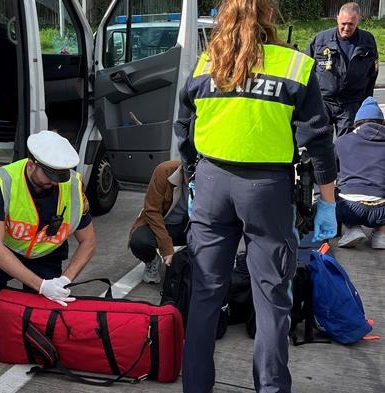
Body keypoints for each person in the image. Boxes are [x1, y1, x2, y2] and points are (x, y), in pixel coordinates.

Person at [173, 1, 338, 392]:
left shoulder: (208, 63)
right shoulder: (294, 65)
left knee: (205, 295)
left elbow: (184, 127)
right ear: (270, 15)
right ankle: (271, 387)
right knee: (271, 298)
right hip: (266, 191)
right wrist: (327, 200)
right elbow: (318, 139)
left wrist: (194, 177)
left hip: (212, 185)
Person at [0, 130, 96, 349]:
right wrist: (41, 286)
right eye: (50, 176)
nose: (56, 182)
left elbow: (88, 242)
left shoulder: (72, 186)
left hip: (46, 255)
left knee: (42, 319)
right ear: (32, 165)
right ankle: (5, 320)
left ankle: (24, 320)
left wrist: (63, 281)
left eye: (61, 176)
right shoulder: (1, 182)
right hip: (8, 252)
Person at [306, 2, 379, 138]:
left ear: (358, 21)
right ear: (337, 18)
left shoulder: (367, 41)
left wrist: (365, 101)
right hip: (323, 103)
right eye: (343, 23)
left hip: (350, 104)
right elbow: (305, 71)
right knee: (320, 145)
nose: (346, 28)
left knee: (346, 147)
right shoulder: (321, 40)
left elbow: (372, 74)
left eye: (351, 24)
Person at [334, 97, 385, 249]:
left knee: (335, 188)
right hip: (382, 211)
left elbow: (330, 172)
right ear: (381, 123)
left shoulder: (342, 142)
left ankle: (352, 229)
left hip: (349, 208)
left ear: (356, 123)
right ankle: (381, 234)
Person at [129, 160, 188, 284]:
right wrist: (166, 248)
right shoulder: (164, 171)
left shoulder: (211, 180)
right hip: (161, 224)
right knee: (138, 241)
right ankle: (152, 260)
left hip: (188, 226)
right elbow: (152, 211)